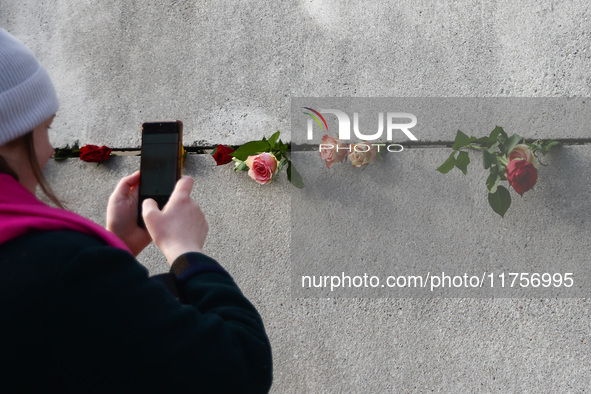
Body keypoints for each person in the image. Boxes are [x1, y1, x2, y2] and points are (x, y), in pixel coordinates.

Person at [0, 28, 272, 393]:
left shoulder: (58, 268)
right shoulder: (63, 268)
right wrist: (185, 252)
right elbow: (238, 366)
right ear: (11, 134)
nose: (50, 149)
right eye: (45, 129)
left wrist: (114, 248)